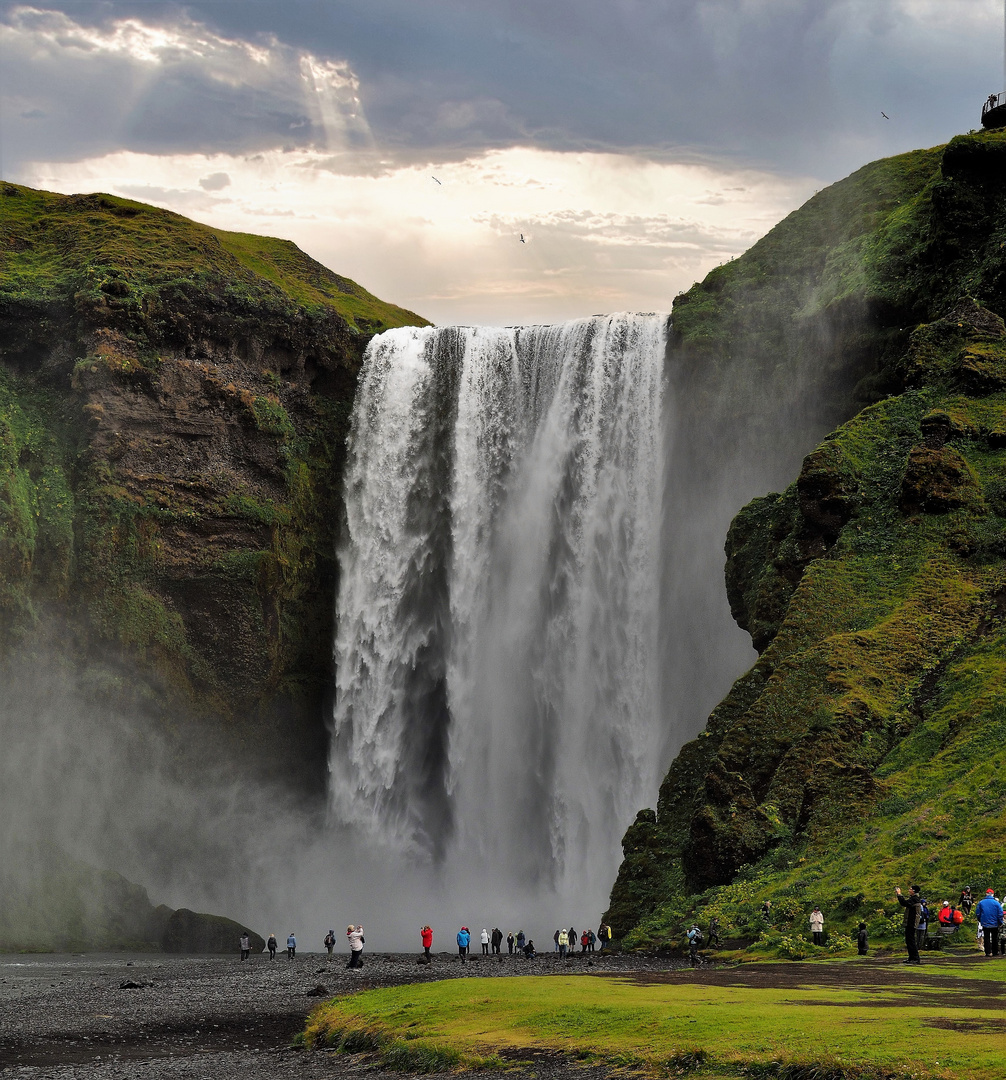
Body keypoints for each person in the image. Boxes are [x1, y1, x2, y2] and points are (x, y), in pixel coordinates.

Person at [895, 885, 922, 964]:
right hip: (910, 922)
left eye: (910, 889)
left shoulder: (915, 899)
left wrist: (899, 894)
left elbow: (904, 903)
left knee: (911, 941)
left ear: (913, 891)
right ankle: (911, 958)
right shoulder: (914, 899)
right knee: (909, 940)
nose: (909, 890)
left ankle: (915, 958)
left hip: (912, 923)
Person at [975, 888, 1004, 956]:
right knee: (995, 938)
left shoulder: (981, 903)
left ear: (986, 894)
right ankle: (995, 952)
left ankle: (987, 952)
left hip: (985, 923)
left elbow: (978, 913)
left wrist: (980, 920)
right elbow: (1000, 913)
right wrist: (1000, 922)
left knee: (986, 937)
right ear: (993, 894)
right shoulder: (997, 903)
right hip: (995, 923)